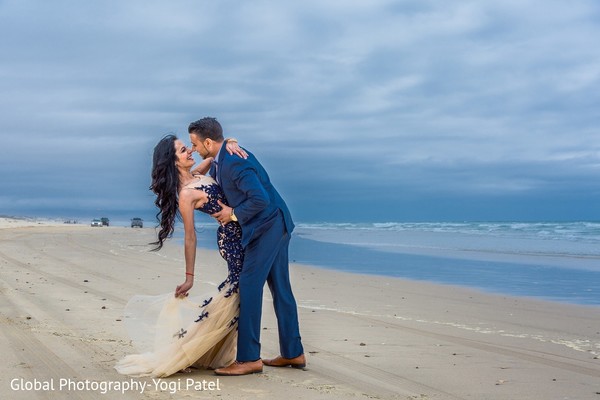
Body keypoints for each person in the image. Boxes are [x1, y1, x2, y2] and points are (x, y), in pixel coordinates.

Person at [114, 135, 246, 377]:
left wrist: (231, 141)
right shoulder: (186, 194)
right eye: (184, 150)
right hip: (232, 239)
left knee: (234, 294)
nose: (190, 152)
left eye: (189, 148)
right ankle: (190, 350)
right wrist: (189, 277)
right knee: (236, 294)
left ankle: (203, 350)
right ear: (173, 161)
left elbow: (216, 150)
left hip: (242, 232)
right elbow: (190, 237)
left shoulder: (198, 172)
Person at [188, 117, 305, 376]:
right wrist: (225, 145)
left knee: (249, 285)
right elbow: (201, 171)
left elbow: (259, 199)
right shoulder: (224, 157)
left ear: (208, 141)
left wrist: (232, 213)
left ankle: (249, 358)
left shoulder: (234, 163)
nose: (193, 149)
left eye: (195, 144)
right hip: (275, 222)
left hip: (269, 225)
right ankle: (293, 353)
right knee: (281, 288)